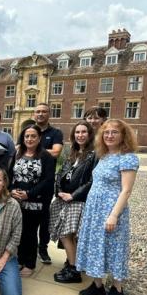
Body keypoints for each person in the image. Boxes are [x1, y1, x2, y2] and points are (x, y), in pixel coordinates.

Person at [76, 119, 139, 295]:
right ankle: (97, 284)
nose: (109, 136)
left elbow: (126, 190)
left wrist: (113, 215)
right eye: (106, 132)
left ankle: (117, 288)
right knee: (95, 244)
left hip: (111, 209)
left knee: (114, 246)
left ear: (123, 136)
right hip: (94, 210)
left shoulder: (127, 158)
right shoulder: (103, 156)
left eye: (114, 132)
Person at [49, 121, 97, 283]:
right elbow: (61, 171)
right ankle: (72, 265)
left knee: (67, 234)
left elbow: (91, 180)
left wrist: (73, 195)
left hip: (78, 200)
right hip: (64, 197)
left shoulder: (94, 154)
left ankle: (74, 269)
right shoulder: (73, 152)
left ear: (90, 135)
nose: (80, 135)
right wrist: (58, 191)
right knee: (67, 235)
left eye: (84, 132)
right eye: (77, 132)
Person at [9, 124, 55, 277]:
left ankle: (30, 263)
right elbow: (10, 175)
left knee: (30, 233)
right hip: (16, 201)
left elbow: (48, 180)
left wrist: (29, 194)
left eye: (33, 136)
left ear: (39, 138)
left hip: (35, 202)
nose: (29, 139)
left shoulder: (45, 156)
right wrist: (11, 190)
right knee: (19, 232)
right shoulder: (17, 153)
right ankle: (20, 260)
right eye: (27, 136)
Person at [33, 102, 64, 264]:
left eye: (44, 111)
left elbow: (57, 152)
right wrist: (45, 151)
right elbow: (19, 148)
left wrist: (33, 150)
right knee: (27, 217)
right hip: (29, 183)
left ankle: (43, 248)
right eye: (37, 111)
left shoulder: (56, 132)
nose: (40, 114)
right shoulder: (29, 131)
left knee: (44, 217)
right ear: (34, 114)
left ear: (49, 114)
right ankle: (28, 247)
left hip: (46, 182)